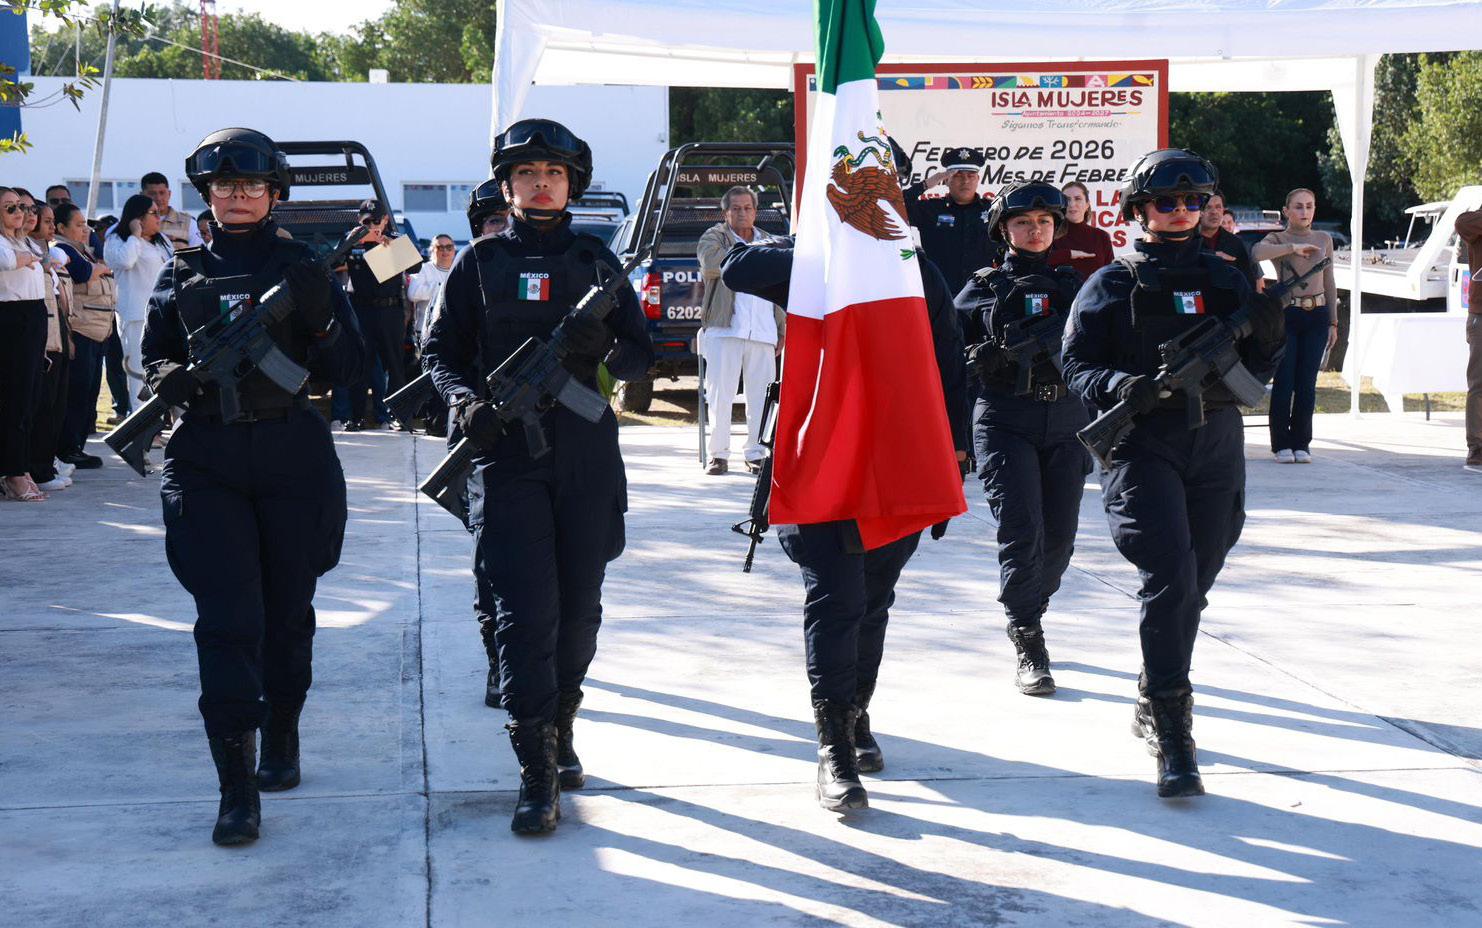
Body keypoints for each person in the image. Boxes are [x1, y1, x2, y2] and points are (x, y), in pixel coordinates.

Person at [423, 118, 654, 835]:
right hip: (506, 458)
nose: (541, 183)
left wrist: (602, 345)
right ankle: (535, 771)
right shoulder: (479, 263)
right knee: (525, 616)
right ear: (507, 186)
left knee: (579, 612)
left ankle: (562, 726)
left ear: (571, 184)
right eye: (526, 173)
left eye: (553, 173)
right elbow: (439, 351)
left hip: (584, 454)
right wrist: (465, 403)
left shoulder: (598, 263)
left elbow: (643, 358)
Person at [720, 166, 969, 812]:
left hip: (895, 463)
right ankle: (832, 743)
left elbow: (950, 365)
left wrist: (952, 457)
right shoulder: (810, 267)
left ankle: (857, 713)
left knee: (874, 598)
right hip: (821, 460)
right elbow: (738, 269)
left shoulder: (913, 272)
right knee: (836, 599)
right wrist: (821, 245)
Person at [141, 127, 363, 846]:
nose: (236, 196)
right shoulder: (183, 272)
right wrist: (167, 378)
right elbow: (153, 355)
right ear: (208, 195)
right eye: (224, 186)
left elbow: (350, 370)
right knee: (227, 621)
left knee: (287, 613)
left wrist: (321, 314)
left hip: (290, 452)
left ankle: (283, 733)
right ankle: (235, 789)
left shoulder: (303, 268)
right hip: (207, 458)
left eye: (251, 186)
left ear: (274, 194)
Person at [1062, 149, 1285, 799]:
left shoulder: (1228, 280)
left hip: (1215, 442)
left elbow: (1257, 372)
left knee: (1197, 578)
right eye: (1168, 202)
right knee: (1169, 578)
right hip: (1143, 444)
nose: (1183, 211)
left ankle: (1152, 682)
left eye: (1194, 201)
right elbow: (1076, 366)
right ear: (1140, 210)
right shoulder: (1113, 283)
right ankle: (1170, 723)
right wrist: (1120, 384)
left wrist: (1271, 331)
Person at [956, 182, 1089, 697]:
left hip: (1066, 419)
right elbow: (944, 356)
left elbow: (1104, 351)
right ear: (1003, 229)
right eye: (1023, 223)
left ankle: (1032, 604)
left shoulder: (1075, 287)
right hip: (1005, 420)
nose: (1035, 231)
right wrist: (979, 359)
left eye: (1044, 222)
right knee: (1022, 530)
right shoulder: (981, 289)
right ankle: (1027, 634)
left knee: (1059, 538)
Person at [697, 185, 785, 475]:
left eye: (747, 208)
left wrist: (782, 329)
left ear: (755, 212)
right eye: (736, 208)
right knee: (720, 396)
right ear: (726, 213)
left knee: (761, 397)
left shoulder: (770, 241)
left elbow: (780, 285)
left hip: (763, 331)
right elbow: (712, 264)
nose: (742, 213)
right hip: (724, 330)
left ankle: (756, 454)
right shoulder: (714, 238)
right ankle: (718, 455)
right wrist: (755, 257)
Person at [1251, 188, 1336, 464]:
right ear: (1286, 211)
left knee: (1307, 383)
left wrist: (1333, 320)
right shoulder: (1278, 238)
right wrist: (1292, 248)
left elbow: (1329, 280)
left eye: (1309, 206)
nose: (1304, 211)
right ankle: (1281, 444)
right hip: (1288, 313)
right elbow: (1256, 253)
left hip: (1318, 313)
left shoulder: (1323, 238)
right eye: (1298, 206)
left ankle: (1302, 443)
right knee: (1285, 380)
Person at [338, 200, 409, 431]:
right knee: (361, 364)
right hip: (362, 310)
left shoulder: (394, 239)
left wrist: (386, 248)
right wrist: (354, 242)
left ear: (386, 220)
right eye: (366, 222)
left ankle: (398, 416)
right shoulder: (352, 240)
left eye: (375, 221)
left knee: (395, 365)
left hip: (390, 310)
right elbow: (332, 262)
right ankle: (356, 417)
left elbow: (415, 267)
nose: (371, 226)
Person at [0, 186, 51, 501]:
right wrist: (27, 258)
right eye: (9, 207)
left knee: (30, 398)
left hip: (33, 316)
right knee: (15, 398)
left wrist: (28, 256)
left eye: (21, 206)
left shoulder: (25, 242)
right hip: (11, 319)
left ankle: (21, 466)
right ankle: (13, 473)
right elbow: (7, 262)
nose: (19, 212)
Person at [53, 202, 112, 469]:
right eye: (78, 225)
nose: (84, 229)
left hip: (98, 332)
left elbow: (101, 266)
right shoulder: (63, 248)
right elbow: (85, 273)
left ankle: (76, 446)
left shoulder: (82, 249)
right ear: (61, 228)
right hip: (81, 330)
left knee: (88, 393)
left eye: (85, 224)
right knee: (77, 393)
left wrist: (99, 266)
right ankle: (68, 448)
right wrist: (98, 268)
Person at [104, 194, 173, 416]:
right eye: (154, 213)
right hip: (135, 315)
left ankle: (163, 418)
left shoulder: (162, 241)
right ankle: (140, 421)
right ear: (138, 217)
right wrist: (134, 235)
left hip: (163, 314)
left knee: (164, 368)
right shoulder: (117, 239)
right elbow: (125, 261)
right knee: (137, 371)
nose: (159, 218)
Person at [902, 146, 1000, 295]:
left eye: (971, 175)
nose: (965, 181)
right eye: (958, 176)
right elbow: (894, 206)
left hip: (981, 295)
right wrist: (926, 184)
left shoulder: (993, 210)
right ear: (946, 180)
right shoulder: (931, 209)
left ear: (978, 179)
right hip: (939, 294)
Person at [27, 200, 73, 492]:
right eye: (47, 221)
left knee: (55, 408)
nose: (51, 227)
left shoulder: (48, 254)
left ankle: (47, 464)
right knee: (41, 409)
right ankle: (38, 470)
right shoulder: (27, 255)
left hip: (59, 338)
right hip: (42, 342)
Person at [1047, 181, 1116, 280]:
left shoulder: (1101, 236)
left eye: (1077, 199)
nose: (1072, 204)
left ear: (1087, 204)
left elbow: (1111, 274)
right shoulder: (1050, 234)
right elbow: (1038, 264)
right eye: (1067, 199)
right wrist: (1069, 254)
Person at [1458, 207, 1482, 473]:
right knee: (1479, 383)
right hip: (1481, 314)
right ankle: (1477, 447)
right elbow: (1461, 224)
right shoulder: (1473, 220)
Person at [1197, 192, 1258, 287]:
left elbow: (1248, 282)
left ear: (1223, 211)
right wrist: (1212, 255)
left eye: (1218, 207)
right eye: (1208, 207)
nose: (1214, 212)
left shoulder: (1235, 243)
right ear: (1199, 212)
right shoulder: (1187, 240)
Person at [142, 171, 205, 252]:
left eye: (162, 193)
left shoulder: (188, 223)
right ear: (142, 195)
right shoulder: (134, 222)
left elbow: (198, 254)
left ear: (169, 194)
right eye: (152, 193)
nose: (158, 198)